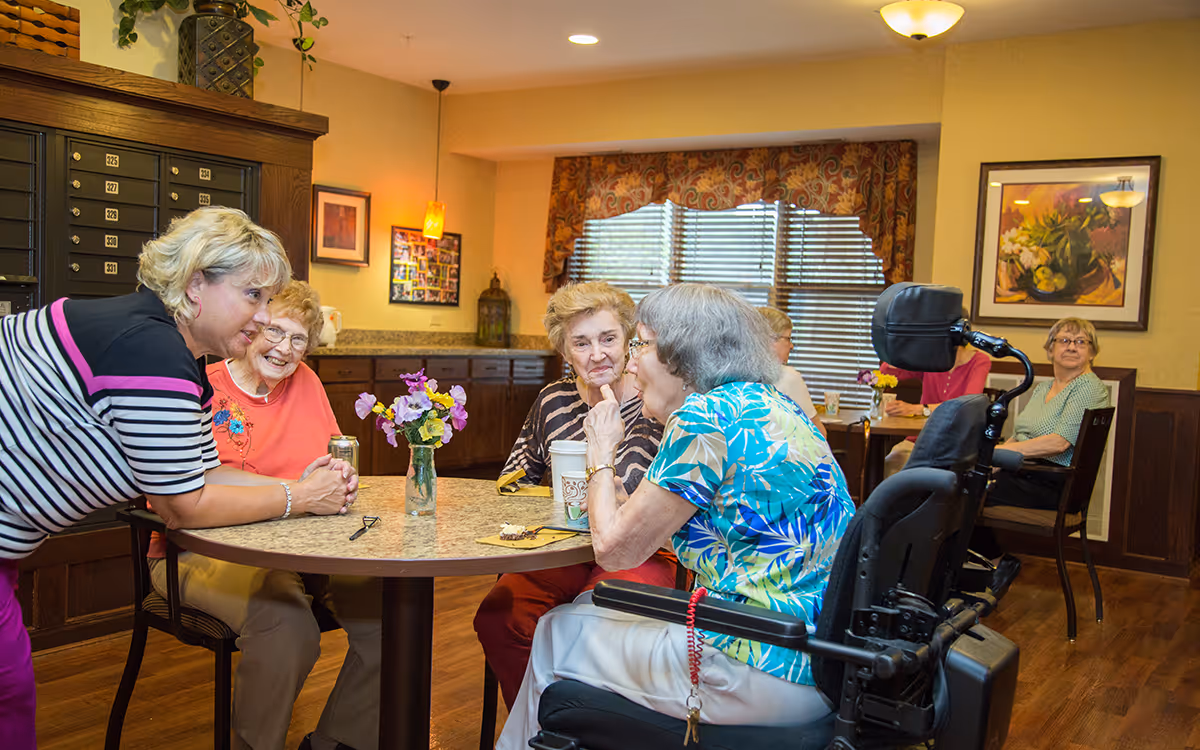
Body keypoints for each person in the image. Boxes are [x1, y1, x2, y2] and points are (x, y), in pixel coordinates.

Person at [0, 207, 357, 749]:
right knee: (7, 695)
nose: (263, 317)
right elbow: (183, 505)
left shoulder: (160, 346)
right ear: (195, 286)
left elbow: (200, 472)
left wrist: (301, 491)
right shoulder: (152, 352)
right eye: (253, 296)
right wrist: (296, 497)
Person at [496, 284, 855, 749]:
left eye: (640, 344)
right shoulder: (770, 405)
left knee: (552, 631)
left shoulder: (702, 419)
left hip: (757, 662)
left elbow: (614, 549)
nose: (630, 361)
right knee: (585, 609)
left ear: (681, 356)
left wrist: (601, 454)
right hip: (820, 657)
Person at [145, 280, 379, 750]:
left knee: (392, 617)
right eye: (274, 331)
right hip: (198, 552)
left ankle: (334, 741)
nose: (285, 349)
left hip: (305, 548)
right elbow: (174, 500)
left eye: (298, 340)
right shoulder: (199, 386)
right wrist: (297, 492)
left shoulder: (307, 383)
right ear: (249, 328)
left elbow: (331, 461)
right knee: (286, 627)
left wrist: (338, 479)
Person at [474, 282, 677, 710]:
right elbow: (514, 478)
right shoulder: (553, 400)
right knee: (499, 618)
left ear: (628, 342)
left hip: (643, 551)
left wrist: (620, 496)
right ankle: (542, 726)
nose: (597, 354)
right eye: (581, 343)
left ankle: (589, 729)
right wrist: (551, 497)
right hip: (559, 548)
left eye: (608, 339)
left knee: (602, 626)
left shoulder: (657, 401)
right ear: (565, 353)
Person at [974, 317, 1109, 595]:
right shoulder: (1044, 388)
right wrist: (991, 462)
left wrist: (996, 452)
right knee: (967, 481)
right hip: (1026, 474)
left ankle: (991, 565)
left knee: (966, 490)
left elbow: (1058, 443)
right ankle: (990, 566)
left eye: (1081, 342)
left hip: (1055, 483)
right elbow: (1021, 436)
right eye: (1064, 340)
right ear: (1050, 349)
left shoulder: (1088, 386)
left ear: (1092, 352)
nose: (1072, 347)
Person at [879, 312, 992, 476]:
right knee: (892, 462)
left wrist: (918, 409)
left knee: (918, 472)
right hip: (920, 439)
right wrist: (910, 341)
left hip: (956, 443)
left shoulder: (979, 361)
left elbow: (965, 405)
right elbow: (888, 370)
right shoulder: (931, 359)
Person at [757, 306, 827, 439]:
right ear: (770, 340)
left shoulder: (731, 375)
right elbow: (819, 435)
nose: (791, 346)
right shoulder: (787, 377)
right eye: (788, 338)